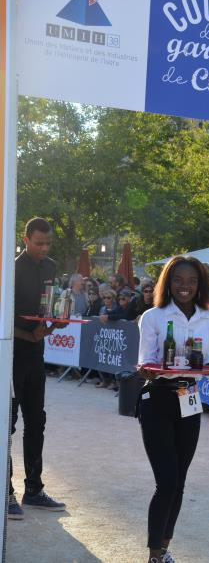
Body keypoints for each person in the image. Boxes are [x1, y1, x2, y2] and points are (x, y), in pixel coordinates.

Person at [137, 256, 209, 563]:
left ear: (201, 285)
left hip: (190, 399)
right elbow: (144, 359)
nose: (185, 287)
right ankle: (154, 553)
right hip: (157, 398)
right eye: (178, 280)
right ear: (168, 283)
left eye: (192, 281)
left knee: (180, 481)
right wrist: (147, 371)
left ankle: (163, 548)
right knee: (167, 481)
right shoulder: (153, 317)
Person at [9, 218, 66, 519]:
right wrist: (27, 334)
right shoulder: (11, 268)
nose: (44, 248)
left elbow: (50, 307)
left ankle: (33, 489)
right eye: (39, 242)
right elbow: (2, 318)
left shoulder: (51, 267)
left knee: (36, 421)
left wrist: (58, 320)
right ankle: (5, 492)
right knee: (7, 424)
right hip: (11, 354)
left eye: (48, 243)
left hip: (36, 354)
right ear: (25, 238)